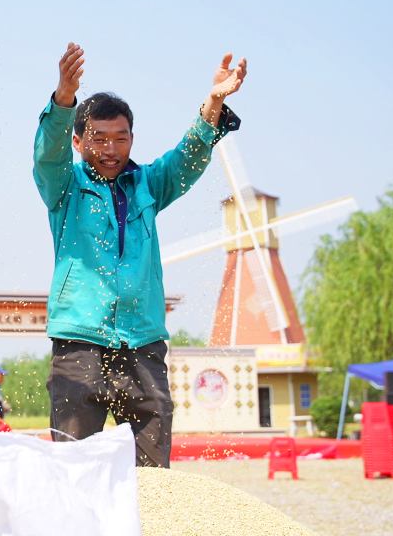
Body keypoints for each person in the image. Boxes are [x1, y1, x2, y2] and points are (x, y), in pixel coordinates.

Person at [33, 42, 247, 467]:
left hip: (143, 344)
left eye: (121, 138)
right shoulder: (64, 187)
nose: (111, 149)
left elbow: (187, 159)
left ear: (132, 138)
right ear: (78, 141)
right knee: (74, 466)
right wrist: (62, 101)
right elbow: (47, 154)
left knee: (152, 468)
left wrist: (214, 101)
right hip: (80, 344)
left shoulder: (148, 184)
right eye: (98, 139)